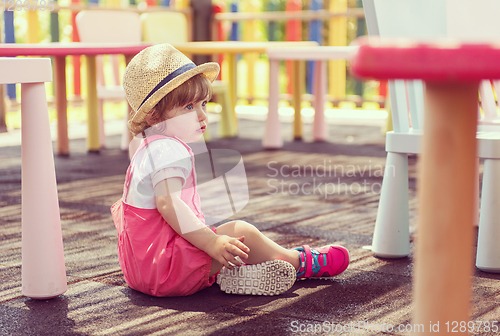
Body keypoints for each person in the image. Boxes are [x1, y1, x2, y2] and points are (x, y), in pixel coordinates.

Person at [111, 44, 349, 298]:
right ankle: (299, 262)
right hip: (166, 271)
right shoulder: (169, 150)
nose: (202, 116)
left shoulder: (147, 147)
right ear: (155, 116)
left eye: (203, 104)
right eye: (189, 108)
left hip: (139, 270)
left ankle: (233, 269)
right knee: (241, 233)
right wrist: (212, 242)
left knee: (222, 239)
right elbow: (168, 204)